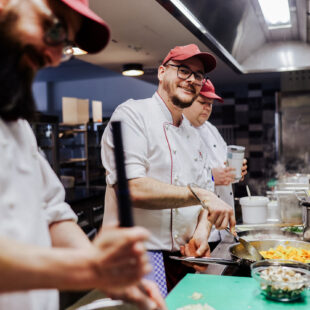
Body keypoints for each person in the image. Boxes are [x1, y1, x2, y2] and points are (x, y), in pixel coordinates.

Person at [0, 1, 166, 310]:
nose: (53, 57)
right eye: (54, 27)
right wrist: (89, 269)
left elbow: (52, 212)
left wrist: (105, 269)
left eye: (64, 44)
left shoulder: (16, 125)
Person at [101, 44, 236, 293]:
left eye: (198, 75)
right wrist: (201, 194)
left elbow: (206, 200)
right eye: (183, 70)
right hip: (141, 259)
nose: (191, 80)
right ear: (162, 72)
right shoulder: (132, 115)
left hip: (185, 259)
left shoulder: (193, 135)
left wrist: (201, 235)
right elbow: (131, 189)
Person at [183, 79, 247, 246]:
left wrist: (235, 173)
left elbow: (224, 166)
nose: (207, 107)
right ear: (188, 99)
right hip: (198, 234)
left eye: (210, 104)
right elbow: (177, 180)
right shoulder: (178, 131)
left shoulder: (210, 129)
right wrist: (211, 178)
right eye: (202, 102)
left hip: (224, 227)